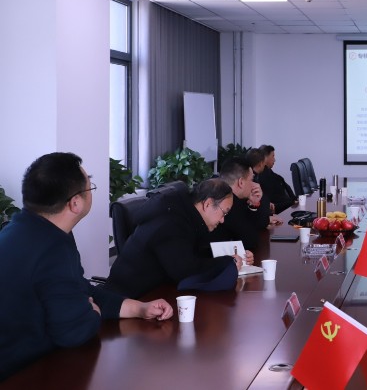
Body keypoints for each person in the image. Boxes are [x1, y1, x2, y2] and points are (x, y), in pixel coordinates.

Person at [0, 153, 173, 381]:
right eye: (90, 186)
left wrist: (138, 308)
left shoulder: (20, 230)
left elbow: (78, 288)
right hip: (24, 375)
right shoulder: (52, 248)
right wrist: (93, 312)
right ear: (75, 203)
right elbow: (73, 332)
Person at [104, 178, 254, 299]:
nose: (222, 220)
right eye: (224, 213)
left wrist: (233, 255)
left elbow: (196, 253)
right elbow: (186, 271)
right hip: (129, 299)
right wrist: (227, 262)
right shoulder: (170, 222)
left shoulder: (186, 214)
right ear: (208, 204)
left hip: (157, 294)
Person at [209, 157, 266, 252]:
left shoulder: (216, 193)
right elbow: (250, 241)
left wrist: (254, 204)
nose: (254, 184)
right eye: (251, 179)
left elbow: (259, 225)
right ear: (241, 182)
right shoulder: (228, 203)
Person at [245, 148, 282, 226]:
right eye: (264, 163)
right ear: (261, 164)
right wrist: (268, 218)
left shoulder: (256, 177)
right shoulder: (252, 181)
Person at [257, 145, 298, 213]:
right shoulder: (266, 178)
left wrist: (294, 201)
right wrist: (292, 202)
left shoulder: (272, 175)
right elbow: (275, 203)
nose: (274, 160)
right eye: (273, 156)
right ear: (265, 158)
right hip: (282, 212)